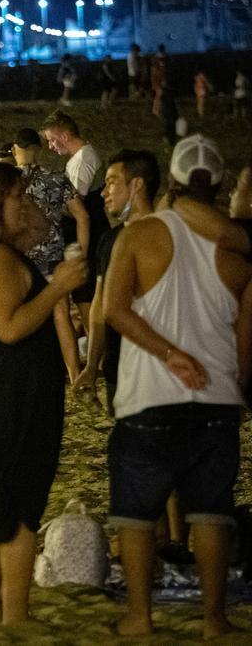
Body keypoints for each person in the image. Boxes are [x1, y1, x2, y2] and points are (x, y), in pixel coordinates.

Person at [103, 134, 250, 639]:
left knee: (137, 514)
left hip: (150, 396)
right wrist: (237, 391)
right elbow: (244, 339)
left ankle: (139, 615)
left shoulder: (140, 236)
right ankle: (213, 618)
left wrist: (169, 354)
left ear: (173, 181)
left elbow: (115, 311)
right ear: (222, 186)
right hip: (216, 398)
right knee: (211, 512)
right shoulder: (237, 252)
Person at [0, 162, 87, 624]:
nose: (27, 204)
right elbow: (10, 328)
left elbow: (38, 230)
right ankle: (13, 615)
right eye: (18, 197)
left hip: (7, 397)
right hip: (12, 401)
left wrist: (34, 222)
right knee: (18, 513)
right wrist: (57, 289)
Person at [75, 150, 160, 414]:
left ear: (137, 185)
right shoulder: (109, 240)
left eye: (112, 182)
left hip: (160, 369)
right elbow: (100, 305)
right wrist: (91, 366)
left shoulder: (167, 237)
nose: (103, 192)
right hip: (118, 367)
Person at [12, 127, 90, 379]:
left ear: (15, 150)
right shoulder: (56, 178)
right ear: (39, 148)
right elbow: (83, 216)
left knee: (21, 318)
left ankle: (29, 373)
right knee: (61, 315)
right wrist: (81, 254)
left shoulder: (7, 182)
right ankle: (74, 373)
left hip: (19, 261)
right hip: (53, 259)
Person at [41, 110, 108, 330]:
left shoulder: (84, 159)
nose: (51, 146)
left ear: (65, 136)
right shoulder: (77, 159)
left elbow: (76, 206)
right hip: (82, 238)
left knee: (87, 297)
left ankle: (96, 355)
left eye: (52, 140)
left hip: (89, 239)